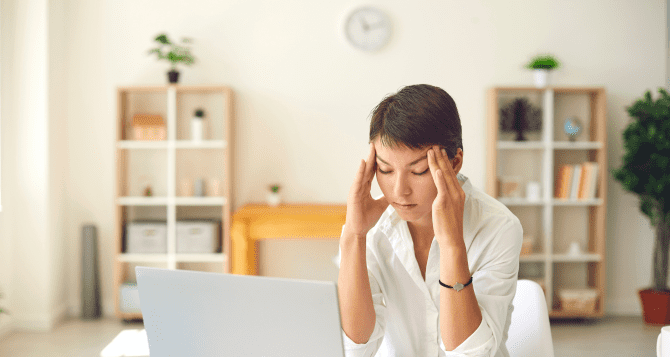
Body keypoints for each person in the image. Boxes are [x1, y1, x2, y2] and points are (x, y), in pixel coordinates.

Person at [337, 84, 523, 357]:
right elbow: (355, 348)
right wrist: (354, 235)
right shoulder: (372, 229)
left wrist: (452, 245)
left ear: (455, 162)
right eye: (385, 170)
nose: (399, 190)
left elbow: (470, 354)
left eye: (419, 171)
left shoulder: (498, 227)